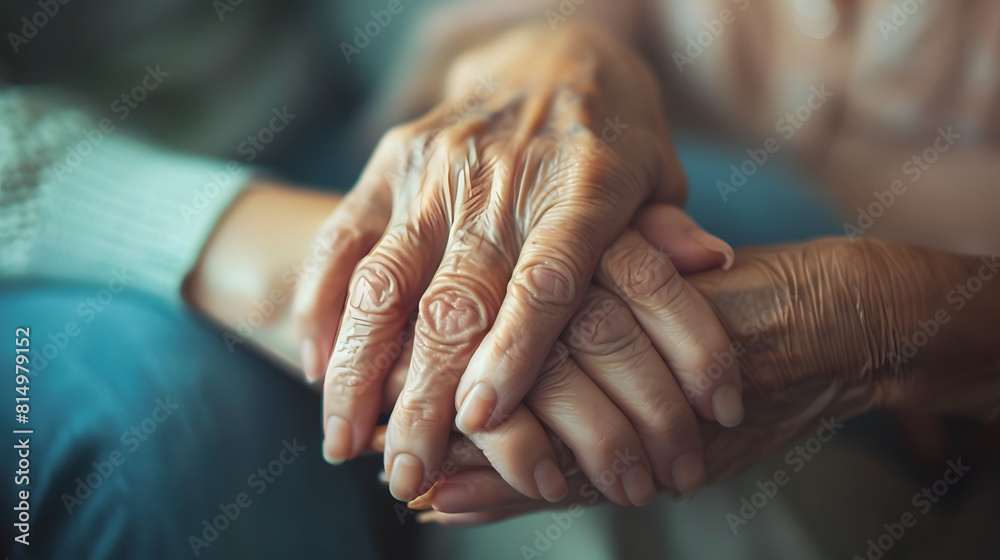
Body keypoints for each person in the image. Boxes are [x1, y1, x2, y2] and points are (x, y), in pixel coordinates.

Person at [2, 0, 998, 558]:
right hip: (40, 210)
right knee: (167, 414)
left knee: (702, 236)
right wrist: (253, 250)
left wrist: (534, 51)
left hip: (309, 134)